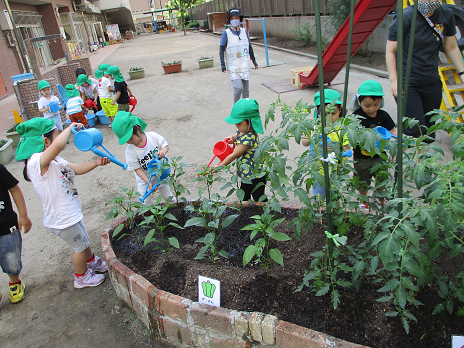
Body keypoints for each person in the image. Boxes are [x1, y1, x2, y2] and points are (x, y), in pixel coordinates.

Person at [15, 118, 110, 289]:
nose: (63, 138)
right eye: (58, 134)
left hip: (69, 213)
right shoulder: (36, 162)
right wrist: (71, 126)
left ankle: (90, 262)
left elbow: (77, 169)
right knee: (79, 245)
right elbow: (57, 145)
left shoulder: (56, 160)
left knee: (83, 239)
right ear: (45, 141)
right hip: (60, 218)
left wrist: (96, 163)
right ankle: (81, 277)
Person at [386, 0, 464, 141]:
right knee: (415, 131)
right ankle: (414, 161)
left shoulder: (446, 15)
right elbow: (391, 51)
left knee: (429, 131)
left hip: (432, 82)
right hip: (407, 84)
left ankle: (424, 163)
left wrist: (462, 73)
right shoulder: (406, 16)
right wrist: (394, 81)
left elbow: (451, 47)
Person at [350, 80, 397, 210]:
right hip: (362, 158)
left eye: (376, 104)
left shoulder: (383, 115)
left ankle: (380, 196)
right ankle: (363, 199)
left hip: (380, 156)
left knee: (382, 177)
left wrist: (403, 138)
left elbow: (392, 130)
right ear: (359, 102)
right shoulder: (356, 117)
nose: (372, 109)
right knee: (362, 180)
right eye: (367, 105)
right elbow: (350, 135)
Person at [112, 111, 174, 204]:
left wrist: (163, 151)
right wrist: (147, 181)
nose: (129, 142)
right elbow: (137, 169)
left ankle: (177, 207)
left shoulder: (153, 136)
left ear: (138, 129)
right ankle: (146, 216)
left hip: (160, 174)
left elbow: (165, 145)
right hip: (144, 179)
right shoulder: (130, 151)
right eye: (126, 141)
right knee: (144, 203)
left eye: (130, 138)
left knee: (168, 196)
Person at [215, 98, 267, 202]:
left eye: (239, 124)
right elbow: (238, 135)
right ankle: (246, 213)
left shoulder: (248, 139)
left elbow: (234, 155)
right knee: (244, 195)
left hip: (256, 175)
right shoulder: (243, 131)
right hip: (247, 174)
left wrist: (219, 166)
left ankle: (266, 214)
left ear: (250, 123)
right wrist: (233, 138)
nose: (236, 126)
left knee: (259, 198)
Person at [302, 89, 349, 200]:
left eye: (333, 113)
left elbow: (348, 149)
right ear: (318, 112)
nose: (329, 118)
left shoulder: (342, 128)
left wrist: (338, 149)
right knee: (319, 196)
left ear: (340, 110)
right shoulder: (315, 126)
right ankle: (320, 215)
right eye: (325, 114)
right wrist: (311, 137)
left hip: (335, 170)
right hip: (318, 170)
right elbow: (304, 142)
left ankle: (334, 212)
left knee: (335, 195)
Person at [0, 164, 32, 303]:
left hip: (7, 228)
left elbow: (14, 189)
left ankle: (14, 283)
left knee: (11, 261)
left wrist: (23, 215)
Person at [219, 8, 258, 104]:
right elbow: (221, 49)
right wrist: (222, 64)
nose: (234, 20)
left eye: (236, 17)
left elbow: (249, 47)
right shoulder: (226, 33)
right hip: (233, 66)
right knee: (238, 88)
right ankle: (236, 108)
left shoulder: (244, 31)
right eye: (232, 18)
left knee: (246, 90)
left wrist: (254, 61)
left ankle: (245, 109)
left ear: (240, 19)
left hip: (244, 65)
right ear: (229, 20)